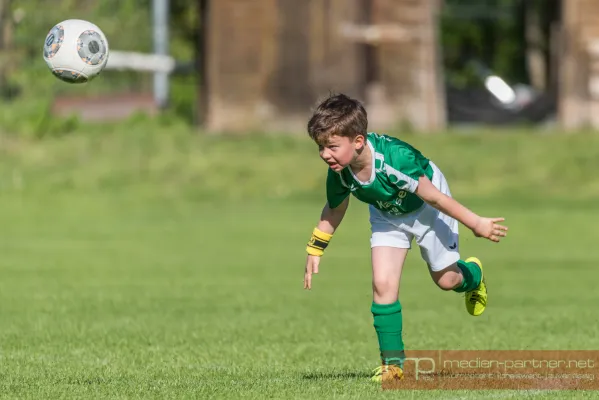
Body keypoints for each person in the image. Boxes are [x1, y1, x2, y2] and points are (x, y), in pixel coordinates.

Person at [303, 93, 508, 383]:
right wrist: (315, 249)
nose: (325, 154)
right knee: (382, 283)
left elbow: (435, 198)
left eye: (332, 147)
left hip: (427, 209)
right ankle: (393, 366)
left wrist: (477, 223)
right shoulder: (339, 172)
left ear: (358, 141)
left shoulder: (395, 160)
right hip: (387, 214)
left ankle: (473, 275)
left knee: (446, 281)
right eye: (321, 147)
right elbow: (334, 209)